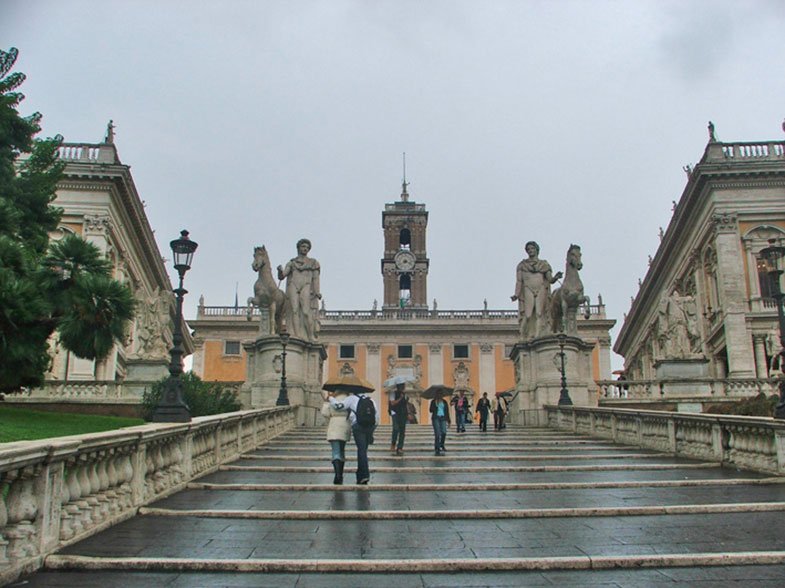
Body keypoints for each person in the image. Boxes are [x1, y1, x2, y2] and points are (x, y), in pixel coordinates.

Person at [511, 241, 562, 340]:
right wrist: (516, 294)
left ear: (537, 250)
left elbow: (550, 279)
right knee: (528, 314)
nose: (530, 251)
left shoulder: (544, 264)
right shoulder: (522, 265)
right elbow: (519, 281)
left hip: (541, 289)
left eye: (532, 248)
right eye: (528, 249)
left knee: (539, 313)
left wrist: (556, 277)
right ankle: (523, 336)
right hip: (528, 289)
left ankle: (538, 336)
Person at [327, 390, 379, 485]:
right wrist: (371, 432)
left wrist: (331, 398)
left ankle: (363, 475)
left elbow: (338, 407)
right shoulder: (371, 400)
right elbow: (377, 418)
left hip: (358, 426)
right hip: (369, 427)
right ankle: (362, 475)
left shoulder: (351, 398)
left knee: (361, 450)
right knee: (364, 451)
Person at [277, 238, 321, 341]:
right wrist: (280, 271)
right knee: (294, 310)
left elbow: (316, 278)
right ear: (298, 248)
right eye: (303, 246)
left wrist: (317, 291)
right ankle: (296, 336)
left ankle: (310, 335)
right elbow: (282, 276)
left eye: (307, 247)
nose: (305, 249)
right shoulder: (292, 263)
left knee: (306, 311)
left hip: (306, 285)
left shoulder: (313, 263)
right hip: (293, 285)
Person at [320, 389, 351, 484]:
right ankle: (340, 474)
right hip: (345, 425)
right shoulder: (349, 399)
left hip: (334, 425)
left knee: (335, 452)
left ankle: (337, 475)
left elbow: (325, 413)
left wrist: (326, 402)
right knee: (342, 451)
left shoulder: (332, 399)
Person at [389, 382, 408, 455]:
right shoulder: (392, 393)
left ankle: (400, 447)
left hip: (403, 413)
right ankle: (393, 443)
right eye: (402, 386)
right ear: (398, 386)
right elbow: (393, 403)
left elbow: (405, 404)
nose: (403, 387)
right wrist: (400, 398)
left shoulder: (405, 395)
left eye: (403, 386)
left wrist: (408, 413)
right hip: (395, 412)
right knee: (396, 428)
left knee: (402, 431)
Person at [429, 391, 451, 455]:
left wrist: (449, 420)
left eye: (441, 394)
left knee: (444, 432)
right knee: (437, 433)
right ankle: (437, 447)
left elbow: (447, 411)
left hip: (443, 418)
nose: (440, 395)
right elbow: (430, 410)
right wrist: (435, 405)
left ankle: (442, 444)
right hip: (436, 418)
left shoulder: (444, 402)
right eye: (438, 394)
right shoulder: (433, 401)